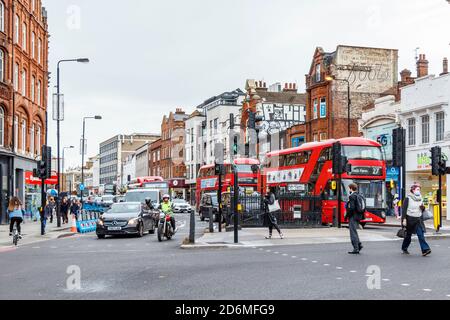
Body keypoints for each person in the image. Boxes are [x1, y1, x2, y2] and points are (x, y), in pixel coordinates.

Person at [401, 183, 431, 256]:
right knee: (408, 236)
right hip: (409, 220)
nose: (419, 191)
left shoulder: (420, 198)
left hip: (418, 220)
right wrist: (404, 219)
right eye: (417, 189)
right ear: (413, 190)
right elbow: (404, 210)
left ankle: (425, 250)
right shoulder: (408, 198)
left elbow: (422, 209)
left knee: (421, 235)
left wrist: (423, 208)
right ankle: (404, 248)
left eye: (419, 189)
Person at [345, 183, 363, 255]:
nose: (349, 189)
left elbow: (352, 208)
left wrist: (347, 215)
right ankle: (359, 245)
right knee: (355, 231)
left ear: (351, 188)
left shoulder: (352, 196)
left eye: (349, 188)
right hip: (358, 215)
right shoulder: (359, 195)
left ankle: (356, 248)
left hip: (353, 216)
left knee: (352, 232)